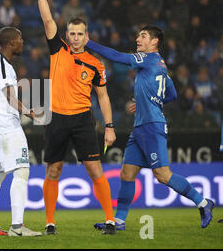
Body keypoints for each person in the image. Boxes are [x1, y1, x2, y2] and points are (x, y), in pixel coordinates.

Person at [84, 25, 215, 230]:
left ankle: (203, 202)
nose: (138, 39)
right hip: (141, 127)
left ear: (154, 42)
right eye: (138, 35)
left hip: (152, 126)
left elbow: (118, 57)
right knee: (127, 174)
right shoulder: (160, 64)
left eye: (143, 36)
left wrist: (88, 43)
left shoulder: (148, 58)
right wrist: (151, 99)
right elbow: (172, 94)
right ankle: (119, 222)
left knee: (163, 175)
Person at [31, 0, 117, 235]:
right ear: (66, 34)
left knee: (94, 168)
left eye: (80, 34)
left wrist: (110, 125)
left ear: (86, 36)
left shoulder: (95, 64)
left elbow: (102, 96)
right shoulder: (58, 49)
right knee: (53, 169)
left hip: (82, 120)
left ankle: (110, 220)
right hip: (56, 118)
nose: (76, 37)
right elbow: (47, 19)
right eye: (72, 33)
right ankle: (49, 222)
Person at [0, 26, 41, 237]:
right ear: (11, 42)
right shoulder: (4, 66)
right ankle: (17, 227)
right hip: (5, 125)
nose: (23, 42)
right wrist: (29, 112)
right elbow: (10, 98)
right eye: (20, 39)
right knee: (22, 171)